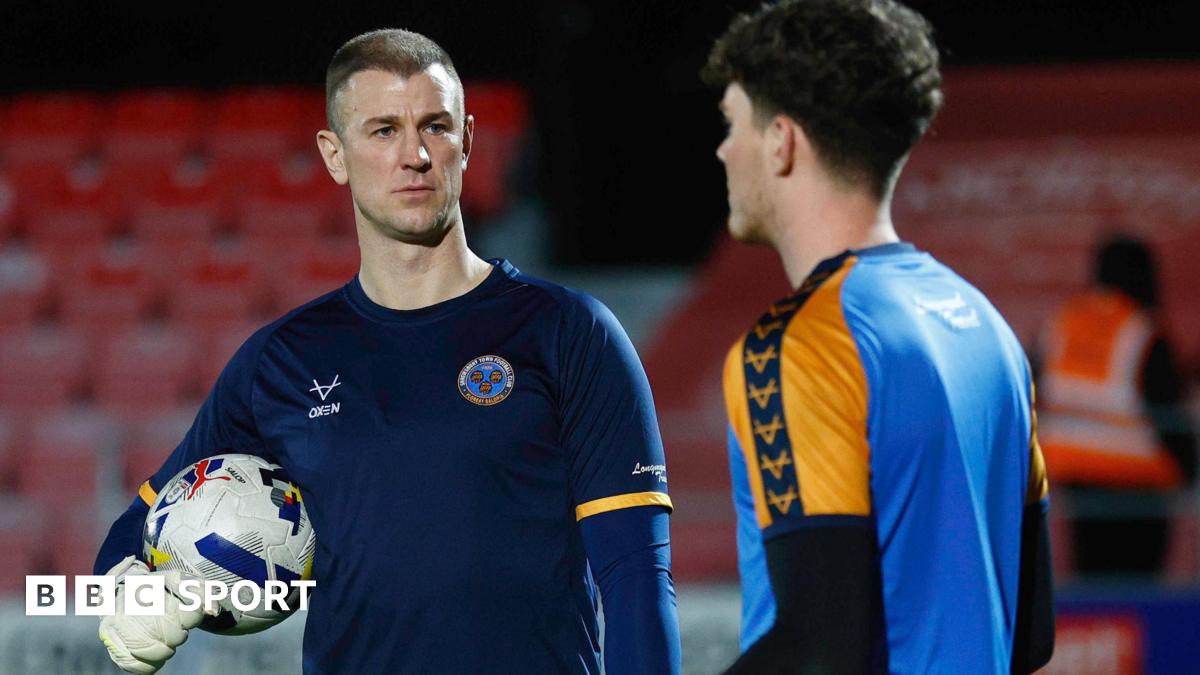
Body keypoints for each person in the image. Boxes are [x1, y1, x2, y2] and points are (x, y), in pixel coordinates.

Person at [94, 29, 681, 674]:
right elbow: (134, 528)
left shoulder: (571, 333)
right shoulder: (281, 362)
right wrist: (129, 590)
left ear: (468, 140)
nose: (415, 156)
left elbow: (636, 580)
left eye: (435, 126)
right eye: (382, 131)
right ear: (334, 154)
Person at [702, 1, 1055, 672]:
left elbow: (820, 650)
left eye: (731, 123)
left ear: (782, 141)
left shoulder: (800, 344)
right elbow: (1030, 632)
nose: (722, 149)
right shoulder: (987, 326)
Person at [1038, 235, 1196, 577]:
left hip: (1078, 481)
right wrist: (1189, 469)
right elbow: (1166, 407)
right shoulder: (1141, 329)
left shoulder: (1061, 323)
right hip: (1138, 487)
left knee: (1097, 587)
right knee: (1140, 597)